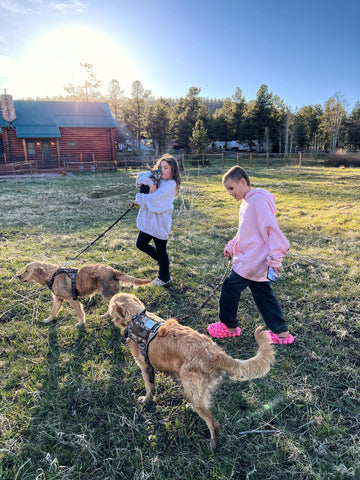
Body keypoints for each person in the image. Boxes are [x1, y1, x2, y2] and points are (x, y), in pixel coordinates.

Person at [207, 165, 294, 344]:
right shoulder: (248, 202)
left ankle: (229, 326)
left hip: (253, 259)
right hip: (255, 259)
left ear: (243, 181)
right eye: (227, 190)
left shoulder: (257, 201)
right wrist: (232, 246)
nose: (230, 193)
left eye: (231, 188)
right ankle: (282, 333)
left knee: (230, 286)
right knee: (263, 295)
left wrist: (276, 257)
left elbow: (272, 229)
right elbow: (245, 232)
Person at [134, 154, 181, 286]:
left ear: (173, 170)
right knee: (141, 244)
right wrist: (151, 182)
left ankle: (164, 277)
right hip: (149, 222)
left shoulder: (171, 184)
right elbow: (141, 176)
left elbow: (155, 200)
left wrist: (139, 199)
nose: (162, 170)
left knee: (161, 250)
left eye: (166, 168)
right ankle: (163, 262)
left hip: (160, 222)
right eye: (161, 167)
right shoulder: (158, 179)